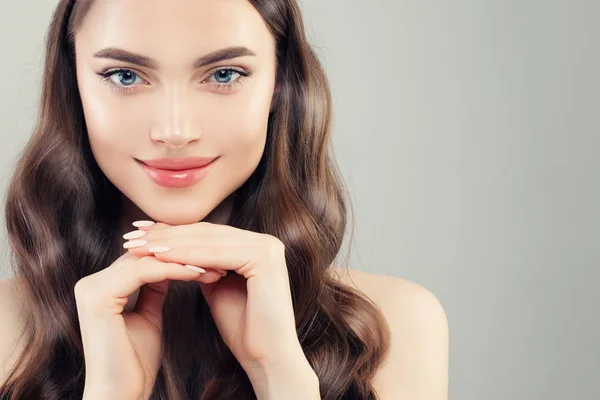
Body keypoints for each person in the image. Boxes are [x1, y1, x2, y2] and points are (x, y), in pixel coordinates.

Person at [0, 0, 449, 399]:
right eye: (125, 75)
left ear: (279, 83)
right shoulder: (6, 330)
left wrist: (279, 377)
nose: (175, 131)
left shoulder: (397, 327)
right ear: (73, 84)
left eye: (223, 74)